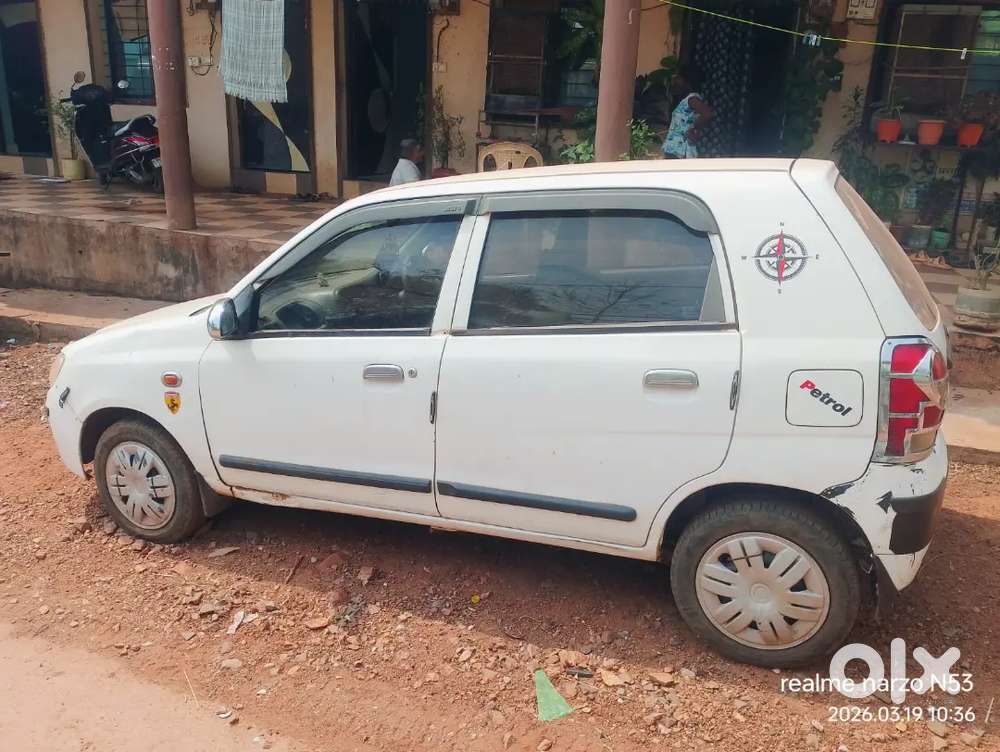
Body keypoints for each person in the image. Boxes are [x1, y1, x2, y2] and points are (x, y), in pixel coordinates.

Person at [661, 66, 714, 159]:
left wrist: (693, 127)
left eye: (679, 78)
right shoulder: (686, 100)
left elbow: (707, 114)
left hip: (680, 149)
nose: (675, 80)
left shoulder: (692, 99)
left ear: (687, 82)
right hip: (674, 148)